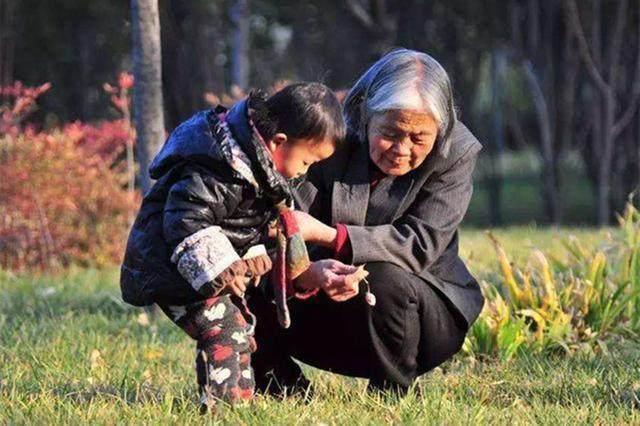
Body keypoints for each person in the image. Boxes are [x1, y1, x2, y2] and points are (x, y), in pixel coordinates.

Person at [250, 49, 485, 395]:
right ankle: (280, 384)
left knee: (384, 274)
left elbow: (420, 244)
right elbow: (283, 222)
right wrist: (310, 271)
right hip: (316, 301)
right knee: (236, 268)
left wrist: (332, 237)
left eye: (419, 138)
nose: (401, 149)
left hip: (418, 317)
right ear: (364, 114)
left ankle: (392, 389)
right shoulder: (325, 135)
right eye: (390, 132)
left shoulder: (456, 151)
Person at [119, 83, 346, 411]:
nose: (304, 173)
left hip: (199, 272)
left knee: (238, 327)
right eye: (307, 161)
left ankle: (240, 397)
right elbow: (184, 219)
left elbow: (242, 225)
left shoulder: (257, 172)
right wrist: (224, 269)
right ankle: (224, 407)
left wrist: (254, 254)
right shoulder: (220, 169)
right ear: (278, 142)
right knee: (224, 329)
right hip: (175, 269)